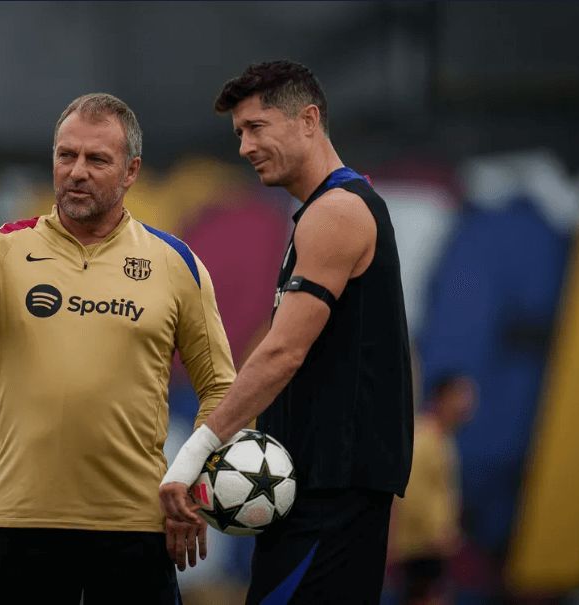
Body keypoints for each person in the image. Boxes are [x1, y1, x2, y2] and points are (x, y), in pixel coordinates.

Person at [0, 93, 236, 603]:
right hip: (26, 527)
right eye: (66, 156)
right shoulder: (3, 248)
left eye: (96, 159)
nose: (76, 172)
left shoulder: (175, 262)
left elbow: (222, 388)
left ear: (131, 170)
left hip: (137, 528)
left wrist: (194, 485)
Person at [160, 60, 414, 604]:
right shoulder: (321, 213)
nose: (244, 147)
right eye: (238, 134)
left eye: (256, 127)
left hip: (331, 497)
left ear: (308, 120)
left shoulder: (338, 212)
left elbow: (282, 353)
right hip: (316, 494)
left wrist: (193, 455)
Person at [391, 373, 476, 605]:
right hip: (420, 546)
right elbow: (411, 490)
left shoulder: (443, 438)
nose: (469, 403)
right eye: (462, 395)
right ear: (443, 398)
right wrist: (436, 531)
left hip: (430, 545)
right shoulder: (426, 438)